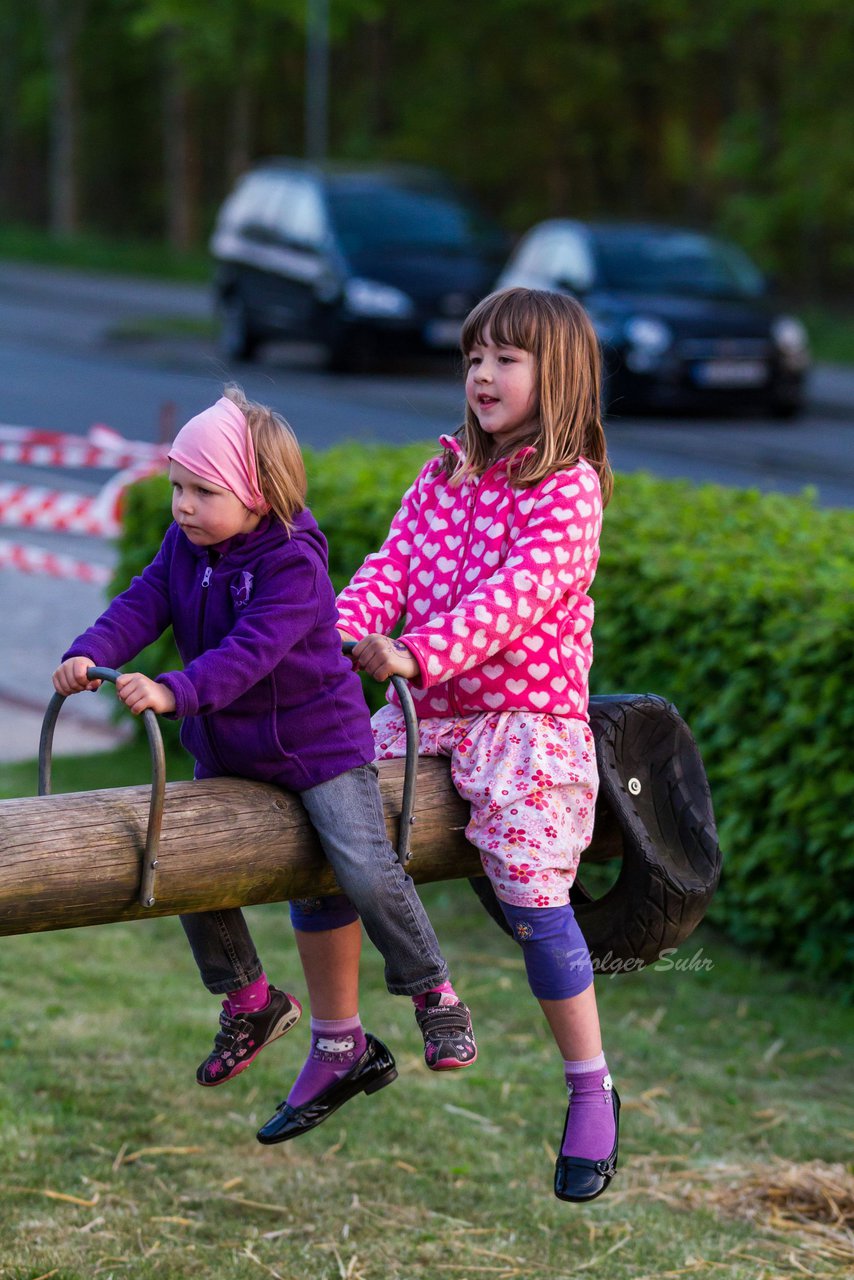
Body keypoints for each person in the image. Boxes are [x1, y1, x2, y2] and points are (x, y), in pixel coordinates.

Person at [52, 386, 476, 1143]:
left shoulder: (292, 565)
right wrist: (92, 651)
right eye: (178, 486)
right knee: (176, 854)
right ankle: (250, 1000)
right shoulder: (188, 546)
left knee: (363, 864)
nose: (182, 504)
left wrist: (175, 690)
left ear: (257, 496)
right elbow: (143, 603)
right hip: (231, 752)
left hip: (315, 748)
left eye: (201, 491)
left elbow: (251, 655)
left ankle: (432, 993)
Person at [333, 287, 619, 1203]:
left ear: (559, 373)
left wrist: (414, 652)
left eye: (507, 358)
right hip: (427, 718)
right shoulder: (442, 476)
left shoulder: (568, 491)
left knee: (537, 898)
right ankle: (337, 1040)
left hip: (524, 728)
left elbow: (512, 605)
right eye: (473, 357)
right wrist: (333, 638)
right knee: (326, 824)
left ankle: (590, 1087)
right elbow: (389, 570)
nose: (482, 374)